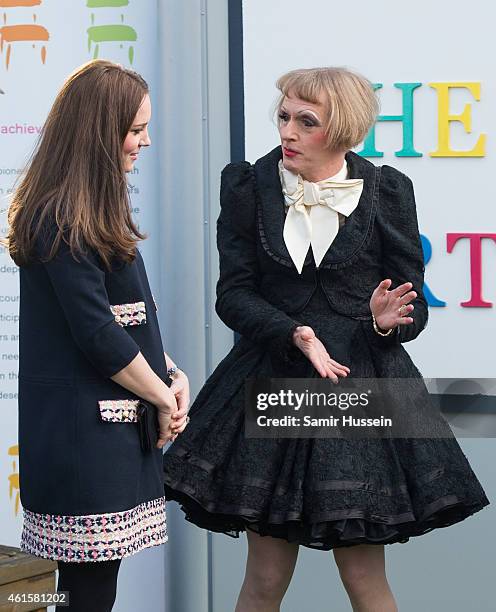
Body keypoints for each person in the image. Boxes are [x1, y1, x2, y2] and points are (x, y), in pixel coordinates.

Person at [162, 67, 489, 612]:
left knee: (364, 578)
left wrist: (386, 321)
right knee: (265, 578)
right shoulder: (247, 185)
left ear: (342, 130)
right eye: (284, 116)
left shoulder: (387, 190)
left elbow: (413, 311)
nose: (287, 131)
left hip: (359, 385)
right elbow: (233, 296)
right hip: (275, 379)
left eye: (305, 121)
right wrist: (294, 332)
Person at [5, 60, 190, 612]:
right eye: (135, 130)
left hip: (101, 434)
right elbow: (97, 333)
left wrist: (172, 375)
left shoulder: (84, 210)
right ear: (97, 131)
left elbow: (127, 320)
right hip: (81, 441)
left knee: (87, 591)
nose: (146, 141)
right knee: (83, 595)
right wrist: (164, 395)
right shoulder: (60, 217)